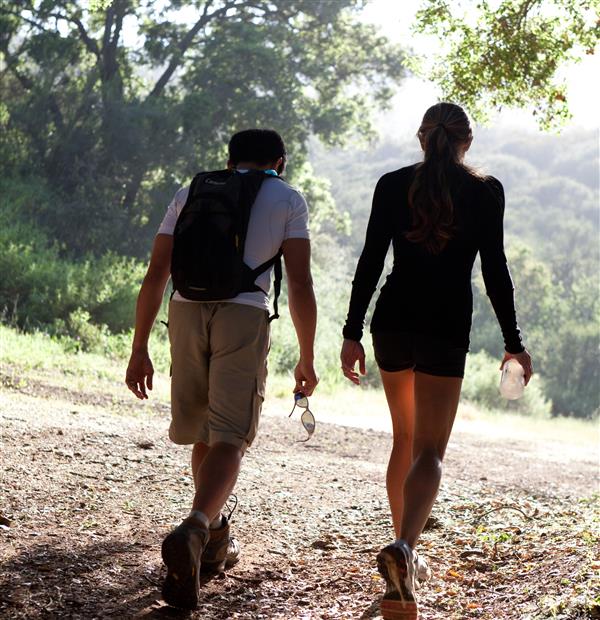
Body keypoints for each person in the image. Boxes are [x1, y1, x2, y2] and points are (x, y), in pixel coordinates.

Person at [340, 103, 533, 620]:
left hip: (392, 320)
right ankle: (405, 548)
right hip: (445, 327)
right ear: (466, 141)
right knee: (430, 449)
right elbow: (495, 269)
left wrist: (351, 331)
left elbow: (369, 260)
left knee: (403, 439)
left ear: (421, 137)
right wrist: (513, 341)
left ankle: (405, 550)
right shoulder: (484, 190)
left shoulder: (391, 184)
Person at [125, 128, 318, 610]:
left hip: (185, 312)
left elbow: (156, 274)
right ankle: (194, 527)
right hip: (243, 315)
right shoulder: (289, 200)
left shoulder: (191, 191)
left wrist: (139, 347)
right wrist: (308, 355)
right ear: (280, 160)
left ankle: (210, 538)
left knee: (204, 433)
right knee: (231, 436)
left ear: (230, 162)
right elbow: (299, 283)